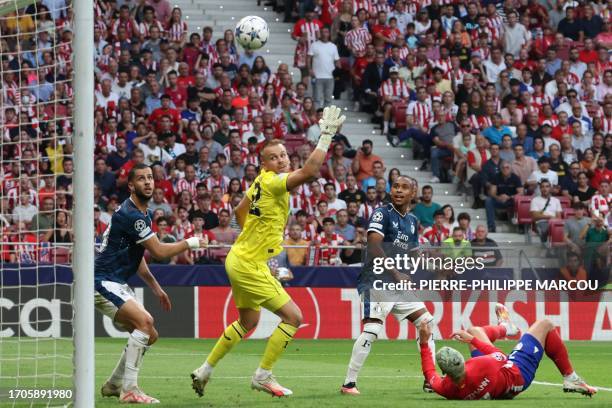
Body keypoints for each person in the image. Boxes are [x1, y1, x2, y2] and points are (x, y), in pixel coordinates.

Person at [191, 106, 346, 397]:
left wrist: (249, 237)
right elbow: (311, 171)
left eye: (283, 155)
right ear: (264, 163)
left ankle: (205, 370)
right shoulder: (274, 182)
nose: (280, 160)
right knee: (294, 317)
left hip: (243, 258)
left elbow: (239, 210)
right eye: (273, 157)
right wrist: (325, 137)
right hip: (249, 263)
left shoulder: (259, 182)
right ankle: (263, 375)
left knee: (248, 322)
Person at [95, 164, 207, 403]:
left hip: (114, 281)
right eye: (141, 179)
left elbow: (138, 259)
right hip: (102, 281)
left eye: (150, 178)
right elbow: (158, 250)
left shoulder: (142, 214)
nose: (148, 182)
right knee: (145, 323)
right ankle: (130, 389)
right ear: (131, 185)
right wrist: (190, 242)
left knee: (149, 334)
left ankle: (115, 384)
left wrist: (156, 287)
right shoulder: (132, 215)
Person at [341, 175, 436, 395]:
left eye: (405, 187)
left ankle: (430, 378)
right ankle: (349, 383)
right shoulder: (382, 213)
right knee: (373, 329)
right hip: (376, 281)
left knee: (426, 322)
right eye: (396, 186)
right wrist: (396, 273)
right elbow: (373, 246)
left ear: (413, 193)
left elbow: (412, 253)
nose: (399, 190)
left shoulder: (412, 221)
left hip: (395, 284)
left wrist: (429, 264)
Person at [418, 304, 596, 400]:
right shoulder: (480, 365)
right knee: (546, 324)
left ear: (445, 373)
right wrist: (471, 341)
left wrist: (424, 343)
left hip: (498, 386)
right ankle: (571, 378)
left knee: (474, 329)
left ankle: (505, 327)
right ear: (464, 363)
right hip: (516, 373)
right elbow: (502, 357)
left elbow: (429, 373)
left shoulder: (445, 388)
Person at [485, 161, 523, 233]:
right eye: (503, 168)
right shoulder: (496, 177)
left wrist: (510, 197)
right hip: (499, 200)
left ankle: (521, 227)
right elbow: (492, 193)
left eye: (507, 167)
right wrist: (498, 197)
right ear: (500, 169)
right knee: (488, 200)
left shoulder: (516, 178)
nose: (505, 169)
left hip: (511, 200)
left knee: (519, 201)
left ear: (511, 169)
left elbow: (521, 193)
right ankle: (491, 227)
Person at [530, 179, 563, 245]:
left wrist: (552, 220)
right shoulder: (535, 200)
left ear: (550, 188)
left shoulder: (556, 200)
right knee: (548, 228)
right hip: (541, 222)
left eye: (547, 186)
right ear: (540, 188)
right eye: (542, 187)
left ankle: (552, 246)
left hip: (554, 223)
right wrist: (549, 217)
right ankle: (547, 245)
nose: (545, 189)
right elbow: (535, 216)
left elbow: (559, 217)